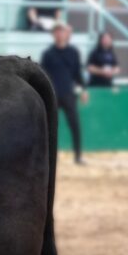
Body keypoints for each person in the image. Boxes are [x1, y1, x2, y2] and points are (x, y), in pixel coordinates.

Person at [40, 23, 87, 164]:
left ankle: (78, 157)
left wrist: (83, 89)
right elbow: (43, 75)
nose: (59, 34)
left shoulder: (73, 53)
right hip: (52, 95)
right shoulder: (48, 54)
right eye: (56, 31)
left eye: (62, 31)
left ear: (66, 34)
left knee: (75, 125)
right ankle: (48, 158)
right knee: (49, 128)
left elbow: (77, 74)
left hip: (68, 94)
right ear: (53, 34)